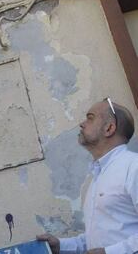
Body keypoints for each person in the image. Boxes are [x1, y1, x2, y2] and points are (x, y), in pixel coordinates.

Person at [37, 99, 136, 254]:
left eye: (90, 118)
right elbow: (95, 240)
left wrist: (109, 252)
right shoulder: (98, 176)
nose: (82, 124)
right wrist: (60, 245)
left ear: (109, 128)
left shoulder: (133, 167)